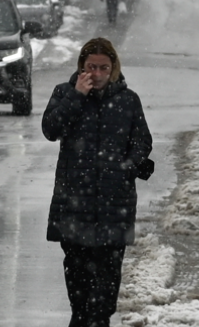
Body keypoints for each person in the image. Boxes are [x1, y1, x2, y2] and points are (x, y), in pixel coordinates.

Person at [42, 37, 154, 327]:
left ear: (113, 68)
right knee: (79, 293)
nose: (98, 73)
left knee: (104, 294)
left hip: (114, 205)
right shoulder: (65, 93)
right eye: (91, 67)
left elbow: (142, 141)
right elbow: (51, 129)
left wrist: (126, 166)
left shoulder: (128, 101)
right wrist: (76, 96)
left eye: (104, 67)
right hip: (73, 204)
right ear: (82, 67)